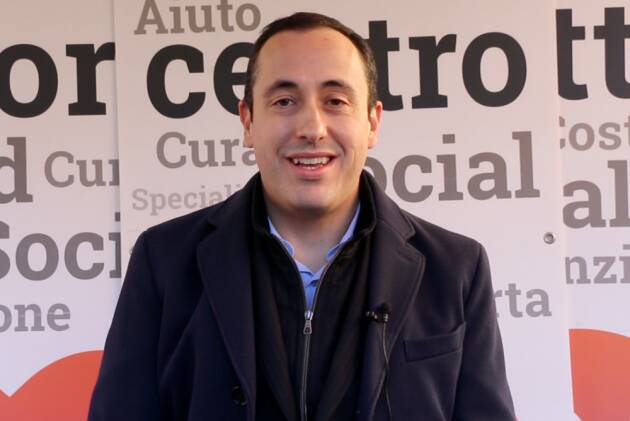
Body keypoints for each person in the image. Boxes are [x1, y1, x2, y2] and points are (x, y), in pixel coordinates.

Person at [89, 12, 515, 421]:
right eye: (284, 101)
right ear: (248, 121)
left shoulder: (456, 269)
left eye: (335, 101)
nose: (312, 128)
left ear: (372, 122)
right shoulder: (165, 261)